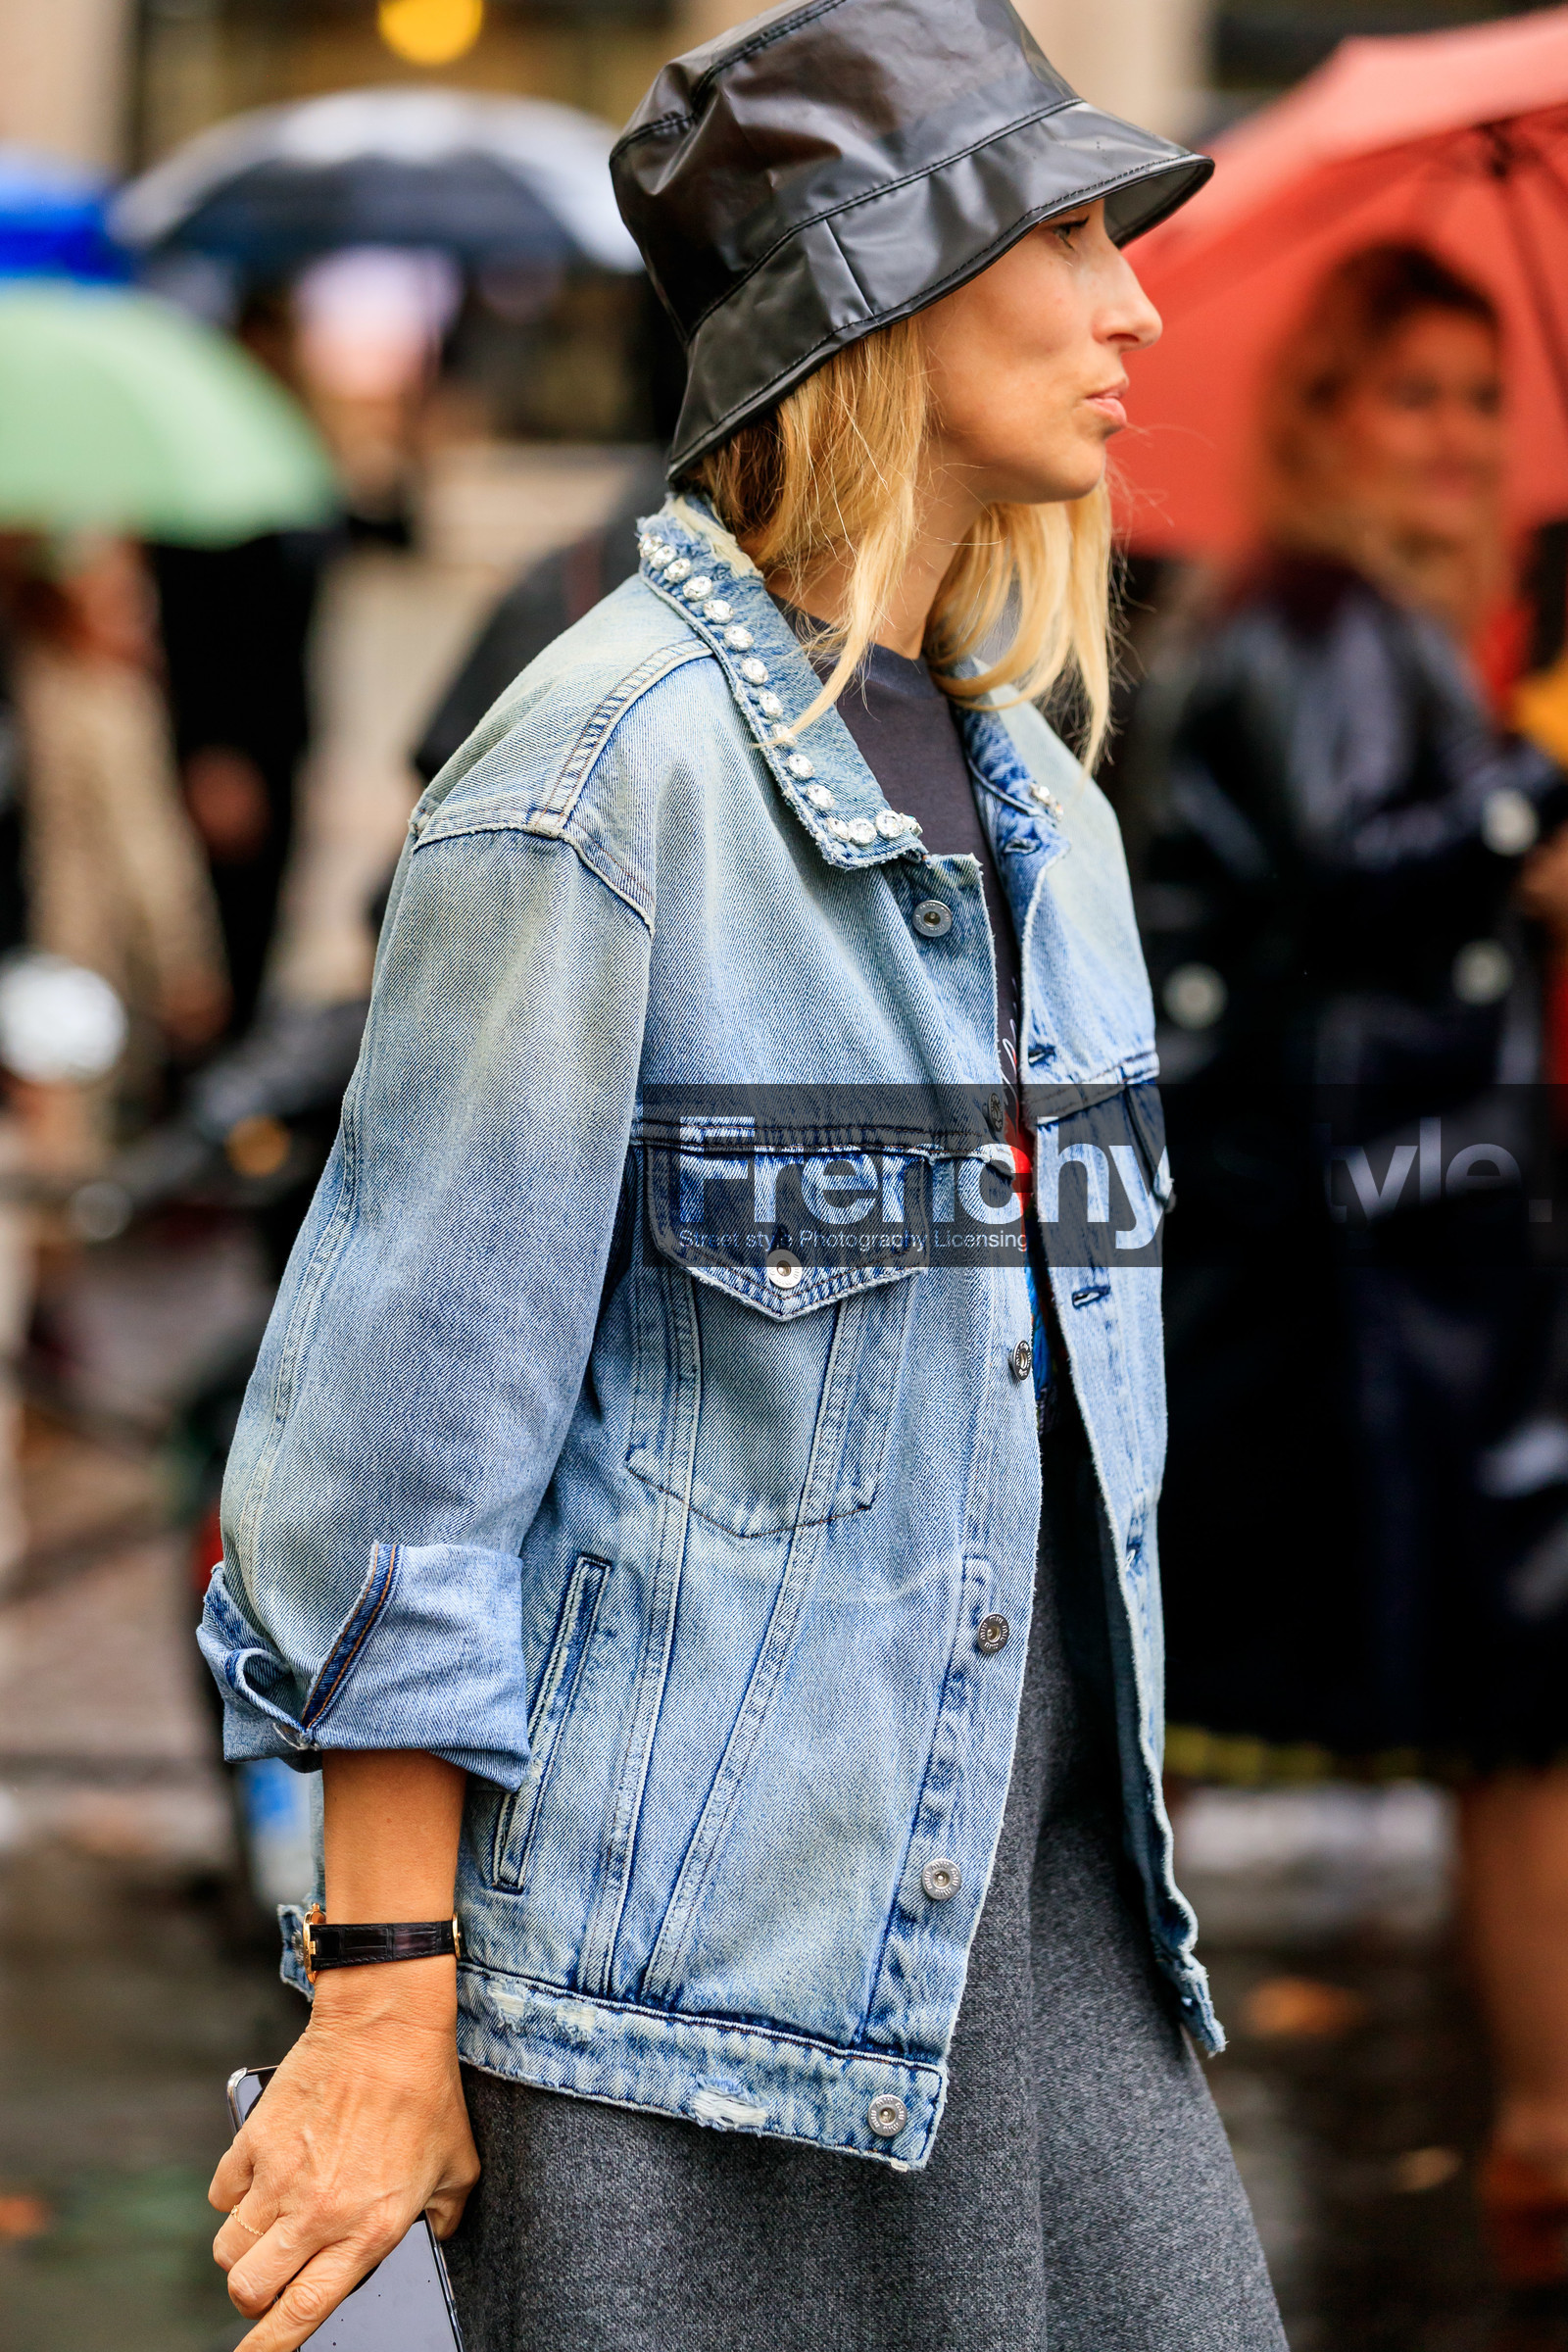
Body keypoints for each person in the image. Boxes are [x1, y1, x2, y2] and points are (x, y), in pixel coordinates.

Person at [199, 8, 1287, 2349]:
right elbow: (393, 1461)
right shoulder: (604, 778)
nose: (1137, 310)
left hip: (1052, 1937)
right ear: (880, 297)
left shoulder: (1050, 818)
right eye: (1069, 235)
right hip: (681, 2019)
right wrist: (383, 2008)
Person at [1122, 243, 1568, 2284]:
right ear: (1315, 421)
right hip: (1321, 1294)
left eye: (1478, 399)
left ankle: (1530, 2149)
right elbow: (1353, 872)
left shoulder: (1389, 632)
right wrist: (1524, 801)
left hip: (1373, 1271)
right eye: (1410, 393)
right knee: (1210, 1728)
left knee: (1355, 1718)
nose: (1456, 436)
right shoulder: (1312, 622)